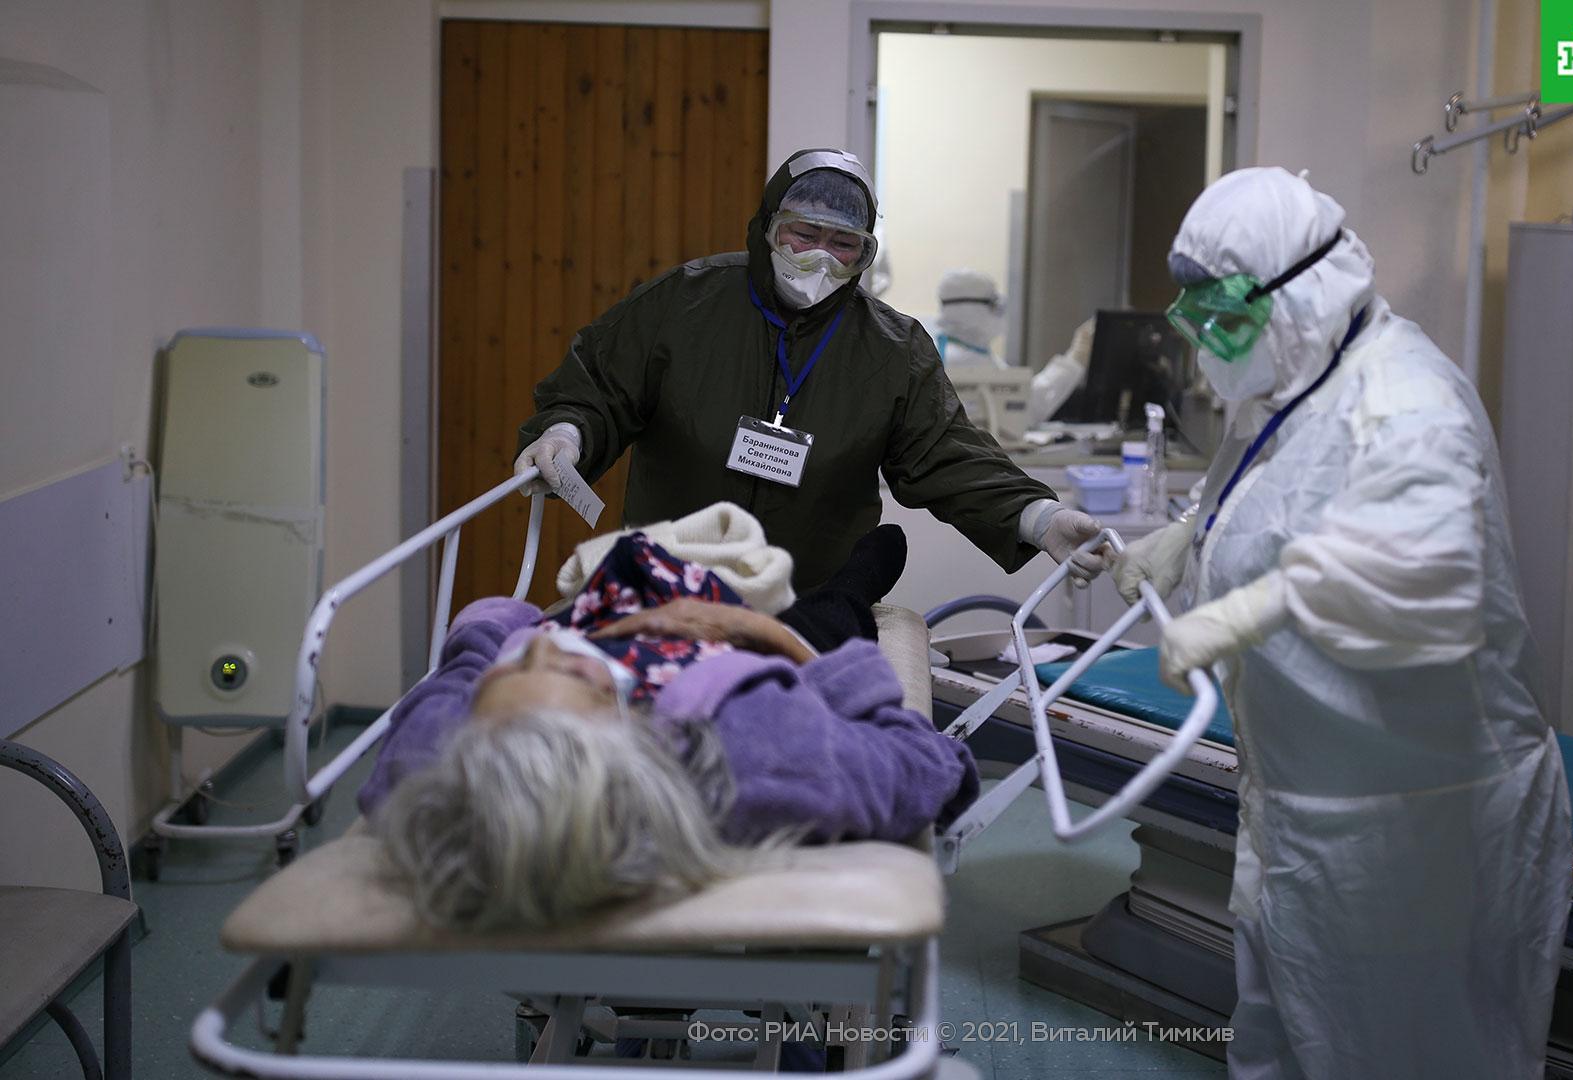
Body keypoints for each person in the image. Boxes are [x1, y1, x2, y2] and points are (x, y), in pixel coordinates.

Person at [1111, 168, 1571, 1079]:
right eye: (1200, 317)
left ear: (1307, 292)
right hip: (1298, 805)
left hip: (1414, 826)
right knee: (1279, 1042)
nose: (1211, 345)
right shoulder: (1290, 377)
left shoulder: (1409, 407)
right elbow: (1265, 491)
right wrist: (1186, 538)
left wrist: (1248, 610)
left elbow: (1417, 573)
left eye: (1228, 318)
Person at [513, 148, 1104, 591]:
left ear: (866, 252)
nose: (821, 256)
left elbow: (946, 454)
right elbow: (599, 384)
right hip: (665, 582)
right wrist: (566, 433)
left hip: (809, 601)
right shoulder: (684, 304)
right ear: (768, 227)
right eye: (803, 234)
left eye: (844, 243)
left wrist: (1039, 517)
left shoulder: (892, 349)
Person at [365, 522, 979, 932]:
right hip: (740, 657)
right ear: (637, 743)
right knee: (830, 610)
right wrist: (766, 636)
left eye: (519, 664)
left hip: (613, 621)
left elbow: (469, 655)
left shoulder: (431, 764)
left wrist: (513, 629)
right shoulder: (763, 752)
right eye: (575, 673)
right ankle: (846, 586)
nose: (545, 646)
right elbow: (931, 766)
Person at [933, 267, 1094, 425]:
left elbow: (1021, 397)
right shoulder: (960, 359)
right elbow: (1027, 408)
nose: (1000, 313)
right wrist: (1075, 359)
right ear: (968, 309)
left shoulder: (974, 353)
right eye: (994, 305)